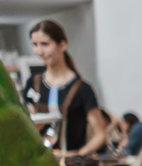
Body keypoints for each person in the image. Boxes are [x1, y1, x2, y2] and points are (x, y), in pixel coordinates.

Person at [23, 19, 106, 156]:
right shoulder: (33, 83)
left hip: (69, 165)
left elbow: (100, 134)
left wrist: (78, 154)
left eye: (45, 44)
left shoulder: (82, 89)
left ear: (62, 45)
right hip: (40, 163)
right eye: (35, 45)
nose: (39, 51)